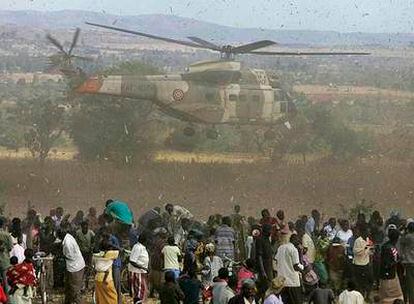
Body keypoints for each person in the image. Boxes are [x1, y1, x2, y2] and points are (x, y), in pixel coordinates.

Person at [58, 229, 85, 304]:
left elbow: (71, 256)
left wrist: (62, 255)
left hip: (75, 268)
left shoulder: (67, 243)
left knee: (75, 290)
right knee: (68, 288)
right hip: (72, 266)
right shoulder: (68, 236)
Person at [275, 234, 304, 304]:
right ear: (295, 240)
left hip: (282, 281)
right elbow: (296, 266)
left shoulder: (281, 247)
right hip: (292, 282)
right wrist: (303, 270)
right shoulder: (294, 249)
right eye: (298, 241)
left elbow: (275, 259)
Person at [379, 228, 404, 304]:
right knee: (388, 298)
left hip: (392, 274)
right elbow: (387, 264)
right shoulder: (388, 248)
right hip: (388, 276)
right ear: (396, 238)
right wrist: (398, 261)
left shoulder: (390, 246)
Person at [352, 227, 373, 299]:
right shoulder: (358, 241)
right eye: (367, 232)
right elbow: (356, 252)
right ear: (363, 232)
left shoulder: (368, 240)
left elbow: (370, 250)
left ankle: (367, 296)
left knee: (369, 280)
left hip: (366, 263)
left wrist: (371, 250)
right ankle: (361, 297)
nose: (369, 233)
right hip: (359, 264)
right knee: (360, 283)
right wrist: (365, 248)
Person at [129, 234, 150, 304]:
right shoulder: (138, 247)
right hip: (137, 272)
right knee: (139, 292)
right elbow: (132, 261)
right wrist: (143, 267)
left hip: (141, 272)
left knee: (141, 291)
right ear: (144, 240)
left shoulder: (141, 247)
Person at [256, 223, 274, 298]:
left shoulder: (267, 239)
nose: (271, 232)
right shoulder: (260, 240)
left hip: (269, 266)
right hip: (265, 267)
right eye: (270, 230)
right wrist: (263, 271)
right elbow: (259, 256)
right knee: (266, 287)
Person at [75, 220, 95, 288]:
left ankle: (87, 283)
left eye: (86, 226)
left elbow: (93, 241)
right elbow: (76, 242)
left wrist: (92, 248)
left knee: (88, 268)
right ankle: (81, 283)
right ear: (81, 227)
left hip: (89, 253)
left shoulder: (91, 233)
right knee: (81, 268)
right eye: (84, 227)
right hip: (81, 253)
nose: (85, 228)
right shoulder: (78, 233)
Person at [400, 221, 414, 304]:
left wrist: (404, 231)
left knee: (410, 285)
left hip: (409, 263)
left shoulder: (407, 237)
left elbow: (401, 240)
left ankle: (411, 301)